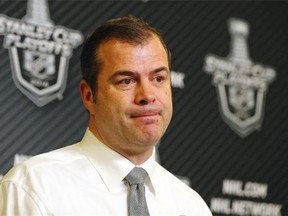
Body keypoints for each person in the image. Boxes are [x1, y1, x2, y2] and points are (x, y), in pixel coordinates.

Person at [0, 15, 212, 215]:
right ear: (89, 96)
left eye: (158, 78)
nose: (147, 95)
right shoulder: (33, 187)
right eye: (126, 81)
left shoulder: (192, 206)